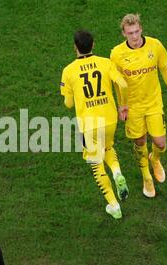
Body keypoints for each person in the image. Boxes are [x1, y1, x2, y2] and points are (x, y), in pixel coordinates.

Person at [110, 14, 167, 198]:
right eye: (130, 33)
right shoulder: (117, 54)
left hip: (153, 104)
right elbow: (117, 83)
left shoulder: (155, 45)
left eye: (136, 32)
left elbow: (164, 68)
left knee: (160, 143)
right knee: (140, 142)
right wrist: (122, 106)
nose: (134, 37)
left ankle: (155, 159)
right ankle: (146, 177)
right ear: (123, 34)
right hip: (133, 107)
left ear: (141, 29)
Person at [60, 30, 130, 220]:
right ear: (93, 45)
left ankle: (113, 205)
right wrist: (123, 105)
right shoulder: (106, 63)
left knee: (96, 163)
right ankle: (117, 172)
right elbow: (122, 85)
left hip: (89, 124)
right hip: (109, 118)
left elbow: (68, 104)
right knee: (107, 147)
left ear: (75, 47)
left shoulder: (68, 71)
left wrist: (69, 92)